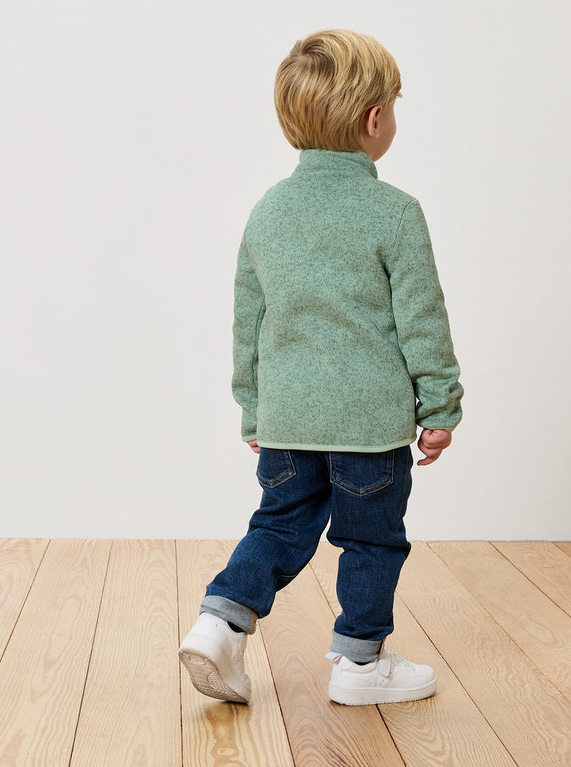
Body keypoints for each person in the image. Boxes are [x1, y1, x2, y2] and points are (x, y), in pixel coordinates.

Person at [178, 28, 463, 706]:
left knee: (277, 525)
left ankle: (220, 620)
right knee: (371, 538)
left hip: (288, 419)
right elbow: (422, 318)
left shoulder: (268, 211)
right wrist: (440, 407)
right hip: (369, 424)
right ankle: (361, 664)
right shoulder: (395, 212)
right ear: (374, 121)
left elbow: (251, 319)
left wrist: (254, 406)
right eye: (392, 105)